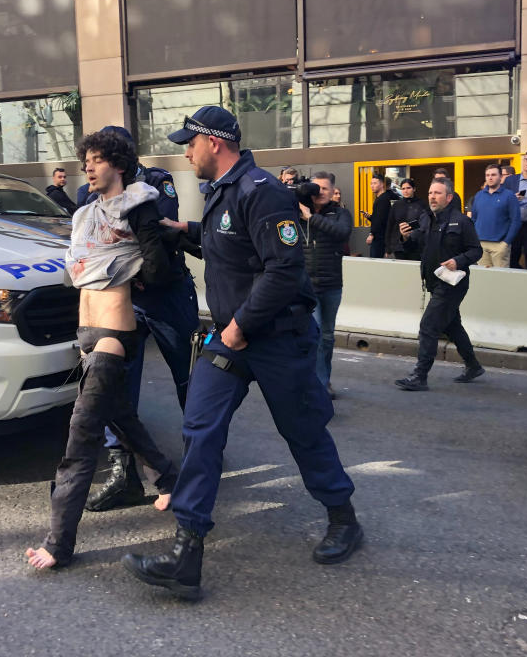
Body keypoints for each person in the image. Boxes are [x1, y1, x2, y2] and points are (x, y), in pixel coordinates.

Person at [122, 106, 361, 600]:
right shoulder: (222, 193)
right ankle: (186, 558)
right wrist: (182, 231)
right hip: (233, 338)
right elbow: (228, 248)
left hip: (274, 338)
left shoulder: (262, 191)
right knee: (200, 427)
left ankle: (344, 518)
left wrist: (238, 328)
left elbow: (281, 271)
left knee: (303, 431)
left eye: (190, 141)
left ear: (216, 142)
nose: (185, 150)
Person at [25, 131, 179, 570]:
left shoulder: (139, 207)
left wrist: (135, 273)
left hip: (114, 332)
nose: (88, 167)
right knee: (121, 418)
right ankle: (168, 479)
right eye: (86, 160)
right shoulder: (85, 213)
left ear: (119, 164)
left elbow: (160, 268)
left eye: (96, 160)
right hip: (87, 330)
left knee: (82, 433)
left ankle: (59, 543)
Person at [84, 125, 200, 513]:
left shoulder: (155, 183)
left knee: (189, 378)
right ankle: (123, 474)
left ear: (123, 156)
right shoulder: (94, 194)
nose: (93, 166)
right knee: (116, 387)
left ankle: (202, 454)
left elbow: (158, 234)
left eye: (102, 157)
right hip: (125, 300)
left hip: (166, 296)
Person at [395, 177, 484, 391]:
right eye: (430, 193)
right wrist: (406, 237)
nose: (432, 197)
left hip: (452, 284)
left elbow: (476, 250)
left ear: (449, 197)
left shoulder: (461, 221)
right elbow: (418, 244)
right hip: (433, 282)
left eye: (437, 193)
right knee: (452, 327)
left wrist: (458, 261)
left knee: (428, 326)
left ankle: (420, 375)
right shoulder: (428, 219)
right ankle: (473, 366)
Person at [298, 171, 352, 398]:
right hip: (305, 286)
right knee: (317, 335)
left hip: (332, 285)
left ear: (333, 192)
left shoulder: (340, 214)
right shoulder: (294, 212)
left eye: (325, 189)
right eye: (316, 188)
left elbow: (342, 233)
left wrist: (312, 218)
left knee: (327, 337)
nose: (320, 192)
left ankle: (324, 380)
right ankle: (316, 386)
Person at [471, 164, 521, 268]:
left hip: (500, 245)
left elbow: (516, 221)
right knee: (484, 279)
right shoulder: (479, 195)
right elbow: (474, 219)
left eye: (493, 174)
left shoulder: (509, 196)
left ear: (500, 177)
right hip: (481, 245)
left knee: (500, 281)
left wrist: (506, 243)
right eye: (487, 175)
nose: (490, 177)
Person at [386, 178, 428, 261]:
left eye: (408, 188)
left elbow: (426, 226)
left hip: (416, 246)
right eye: (403, 188)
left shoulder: (422, 204)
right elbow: (390, 225)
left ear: (414, 189)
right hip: (399, 246)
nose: (406, 191)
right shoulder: (396, 205)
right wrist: (388, 247)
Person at [365, 174, 393, 258]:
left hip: (380, 238)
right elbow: (379, 218)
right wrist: (370, 217)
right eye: (371, 183)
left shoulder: (383, 199)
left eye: (375, 183)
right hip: (380, 237)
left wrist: (371, 234)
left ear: (381, 184)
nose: (372, 186)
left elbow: (380, 220)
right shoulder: (379, 199)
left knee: (375, 262)